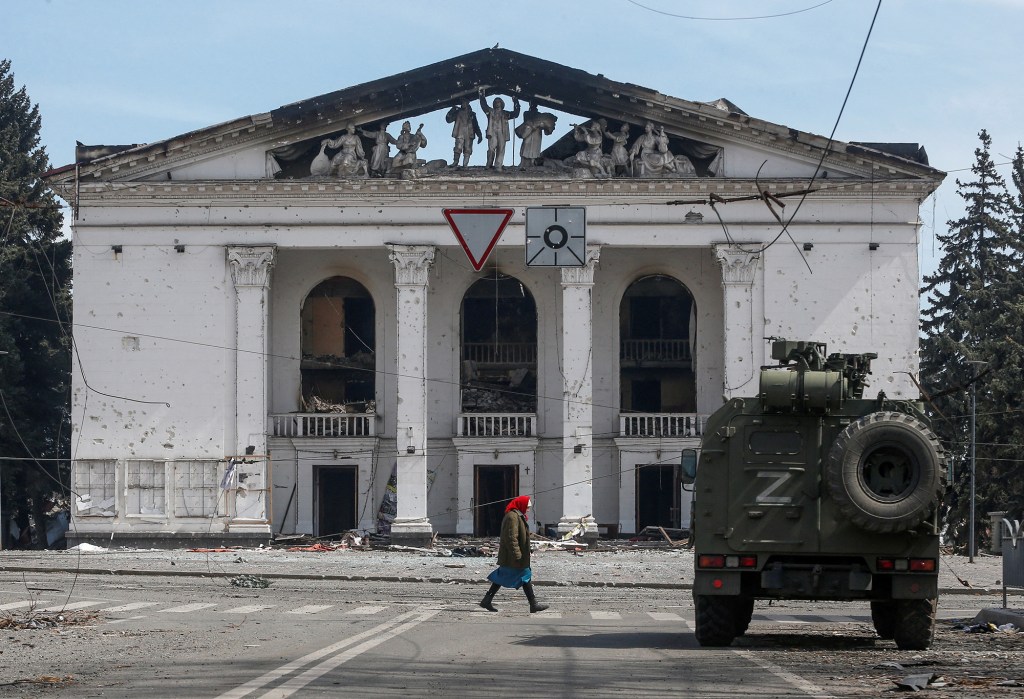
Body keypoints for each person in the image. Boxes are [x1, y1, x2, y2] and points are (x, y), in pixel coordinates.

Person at [479, 495, 549, 613]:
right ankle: (533, 604)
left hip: (512, 556)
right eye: (527, 507)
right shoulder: (513, 517)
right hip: (512, 556)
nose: (528, 509)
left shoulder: (518, 516)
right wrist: (517, 555)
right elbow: (511, 538)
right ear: (521, 505)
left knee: (505, 577)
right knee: (524, 576)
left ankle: (487, 600)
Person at [478, 89, 520, 171]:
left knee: (501, 148)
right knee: (491, 148)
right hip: (492, 131)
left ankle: (498, 165)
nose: (497, 103)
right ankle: (489, 163)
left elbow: (516, 114)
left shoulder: (506, 113)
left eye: (499, 102)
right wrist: (481, 96)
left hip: (502, 132)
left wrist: (515, 101)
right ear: (494, 104)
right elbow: (484, 105)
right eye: (496, 102)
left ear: (502, 104)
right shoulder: (490, 111)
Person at [516, 102, 556, 167]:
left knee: (535, 148)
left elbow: (546, 127)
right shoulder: (526, 113)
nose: (533, 105)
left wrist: (542, 125)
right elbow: (527, 121)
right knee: (525, 146)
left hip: (537, 133)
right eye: (531, 104)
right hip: (529, 132)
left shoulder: (540, 115)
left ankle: (532, 162)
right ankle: (522, 162)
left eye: (534, 104)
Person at [445, 98, 482, 167]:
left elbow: (476, 125)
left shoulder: (472, 114)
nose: (463, 104)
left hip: (469, 133)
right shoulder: (458, 112)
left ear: (468, 103)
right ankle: (455, 162)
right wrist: (452, 110)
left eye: (465, 102)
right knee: (457, 148)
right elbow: (448, 120)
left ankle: (465, 164)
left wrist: (479, 135)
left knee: (468, 149)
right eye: (462, 102)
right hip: (460, 132)